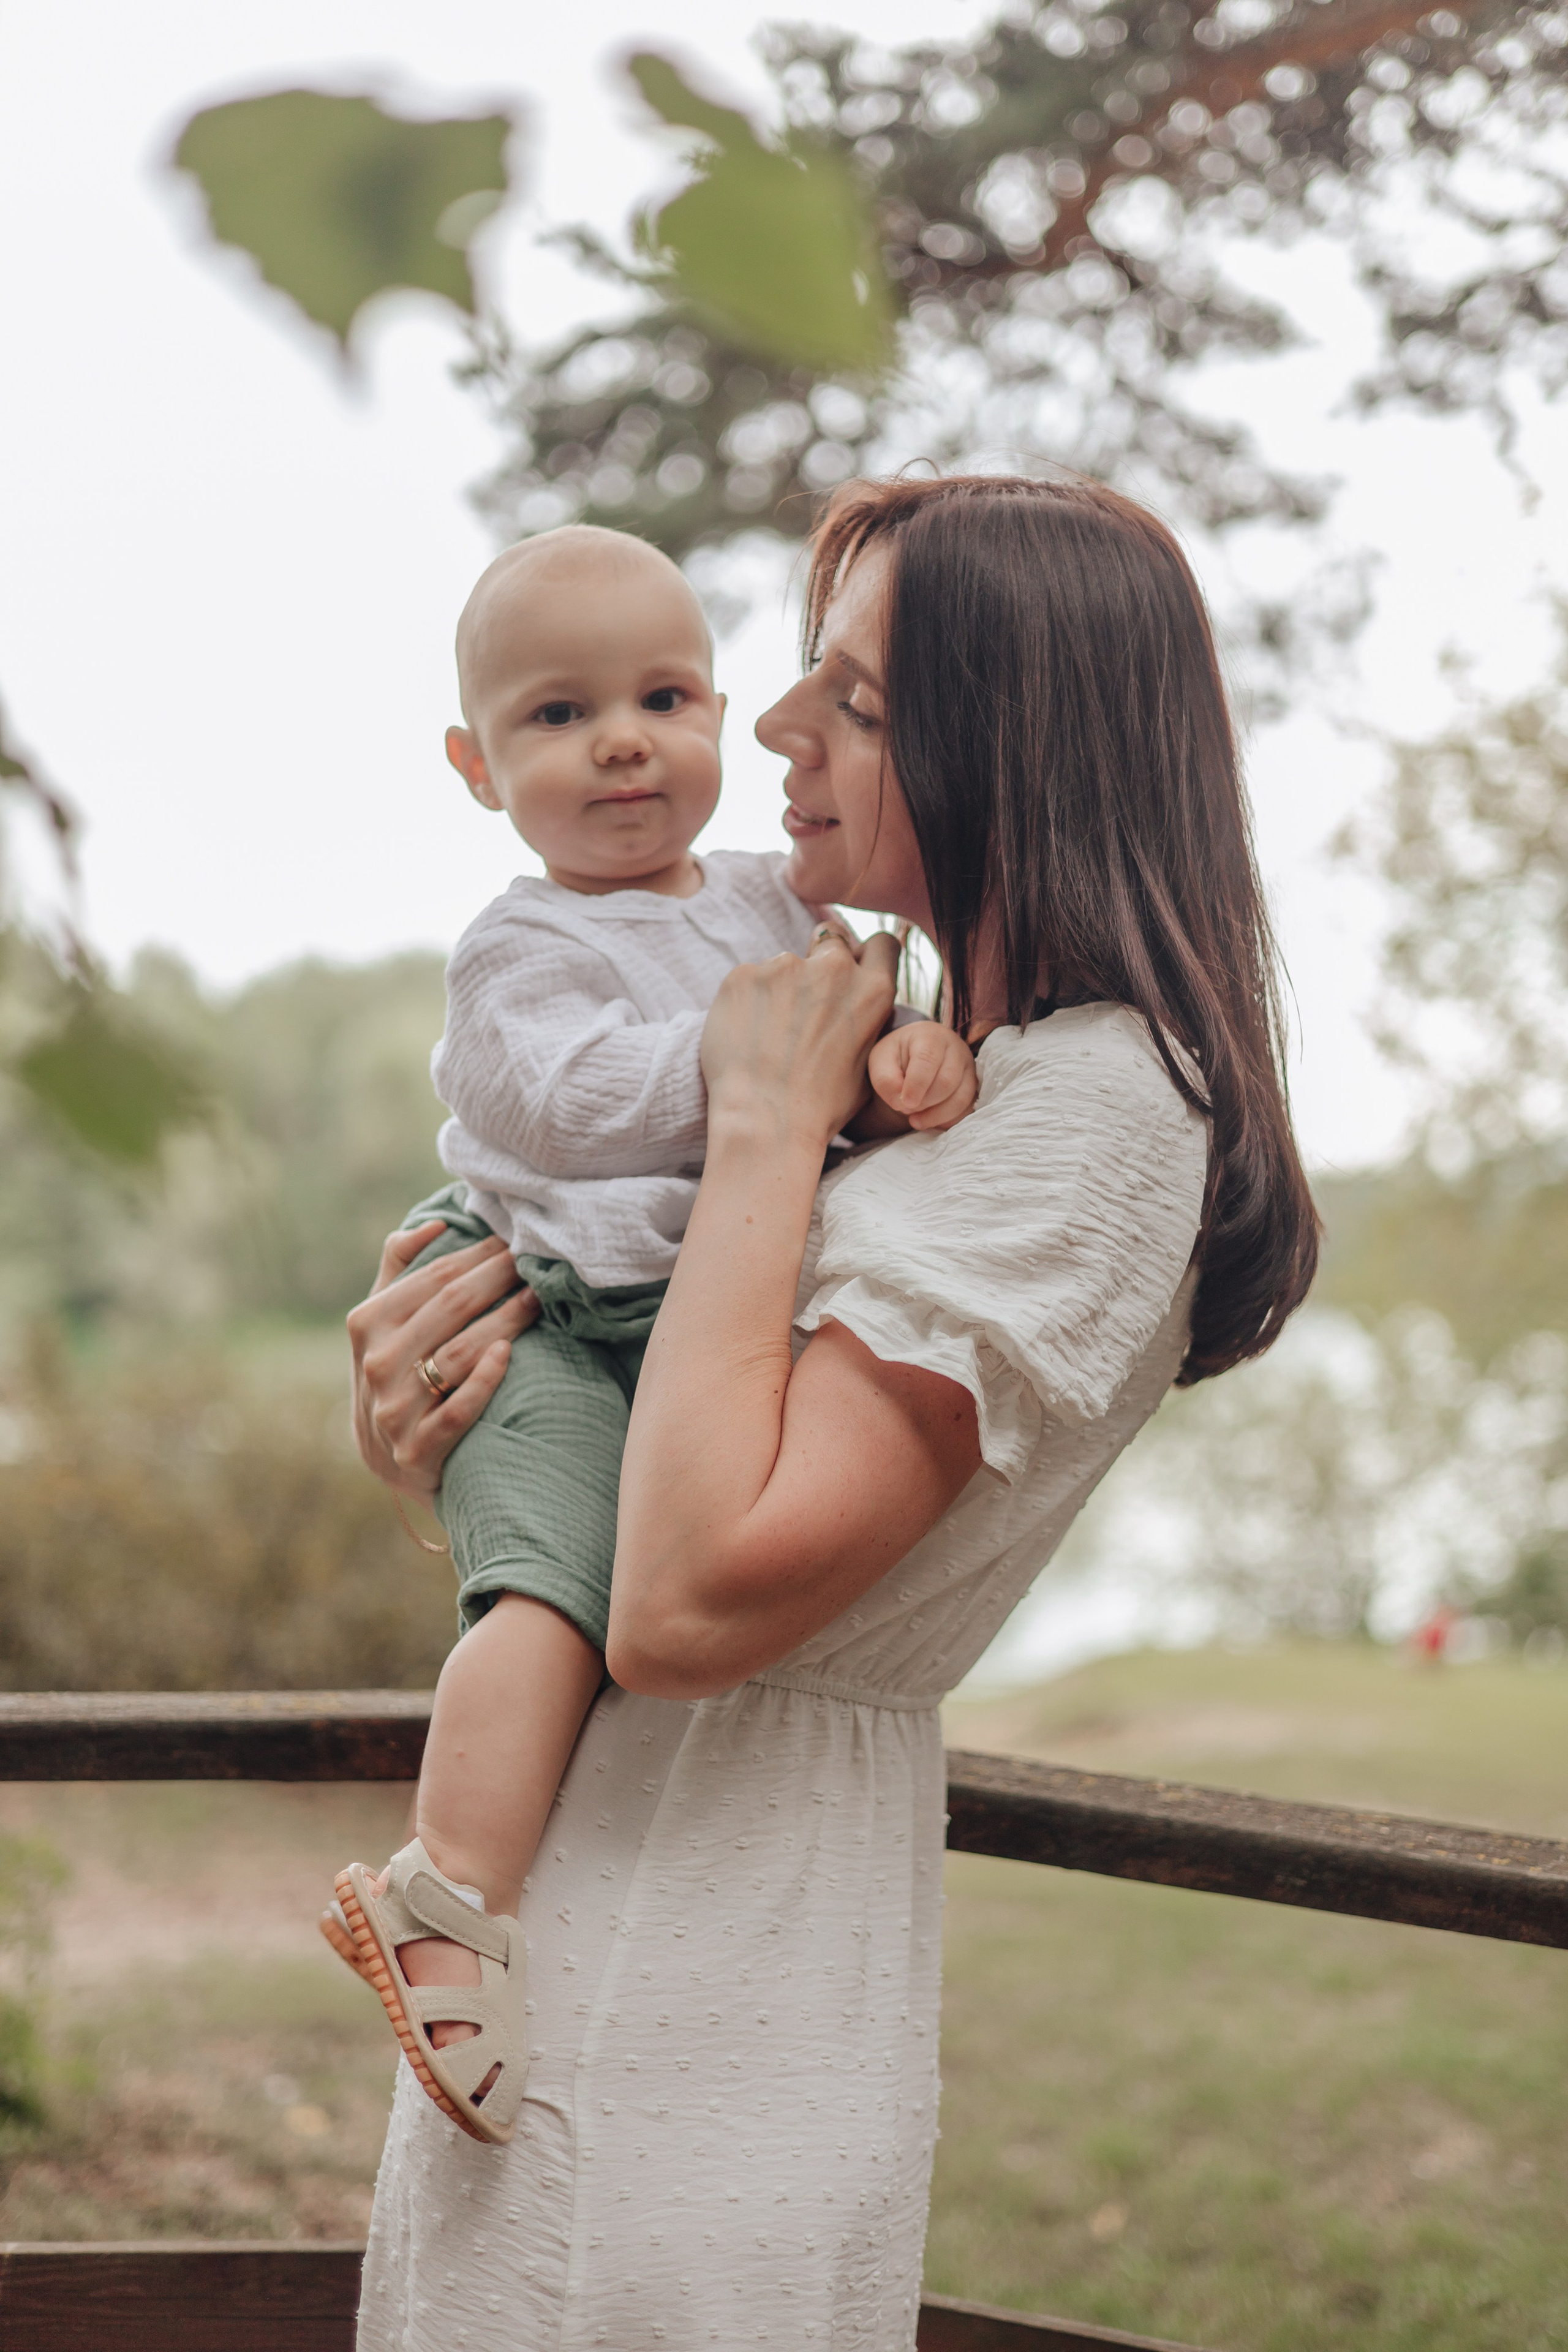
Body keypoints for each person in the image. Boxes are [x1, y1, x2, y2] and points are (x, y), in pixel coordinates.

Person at [347, 472, 1319, 2349]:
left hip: (705, 1951)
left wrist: (777, 1123)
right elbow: (663, 1447)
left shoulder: (1093, 1117)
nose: (774, 725)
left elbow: (696, 1602)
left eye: (856, 700)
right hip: (595, 1919)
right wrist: (447, 1427)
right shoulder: (954, 1057)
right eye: (802, 673)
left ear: (1015, 744)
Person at [331, 525, 979, 2145]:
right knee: (548, 1599)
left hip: (703, 1333)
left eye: (664, 695)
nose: (621, 740)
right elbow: (540, 1099)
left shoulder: (779, 903)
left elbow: (873, 1032)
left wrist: (909, 1064)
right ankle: (449, 1896)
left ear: (712, 713)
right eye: (557, 716)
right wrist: (746, 1066)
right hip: (548, 1319)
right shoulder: (523, 946)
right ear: (479, 769)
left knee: (643, 1583)